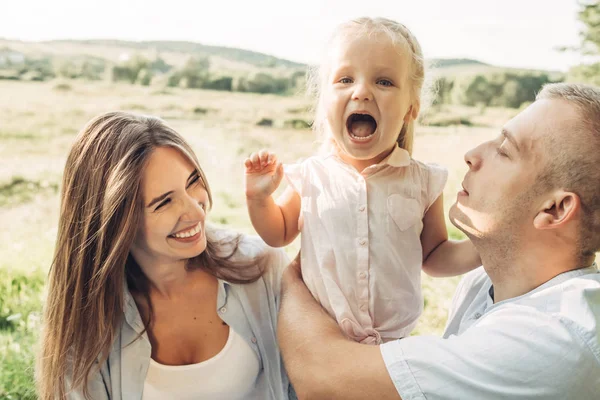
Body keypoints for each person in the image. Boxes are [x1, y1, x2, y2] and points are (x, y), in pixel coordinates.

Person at [278, 82, 600, 399]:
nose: (472, 155)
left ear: (555, 209)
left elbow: (323, 379)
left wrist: (293, 278)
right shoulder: (483, 283)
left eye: (504, 151)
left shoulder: (552, 342)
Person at [244, 17, 481, 346]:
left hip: (392, 346)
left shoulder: (423, 181)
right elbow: (278, 232)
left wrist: (487, 246)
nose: (362, 92)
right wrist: (259, 201)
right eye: (345, 79)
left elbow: (435, 255)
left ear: (411, 108)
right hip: (318, 339)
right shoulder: (314, 174)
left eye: (384, 82)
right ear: (325, 99)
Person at [37, 112, 290, 400]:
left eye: (193, 181)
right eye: (164, 202)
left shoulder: (262, 265)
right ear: (115, 223)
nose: (196, 212)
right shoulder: (85, 320)